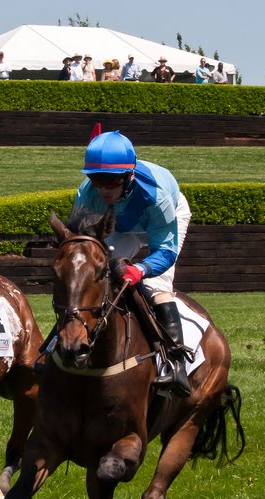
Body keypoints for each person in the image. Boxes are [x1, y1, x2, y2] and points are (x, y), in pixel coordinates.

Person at [74, 130, 192, 397]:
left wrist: (140, 269)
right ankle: (56, 346)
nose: (103, 189)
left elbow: (165, 251)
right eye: (96, 180)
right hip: (122, 224)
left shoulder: (157, 197)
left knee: (157, 285)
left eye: (112, 182)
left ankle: (176, 365)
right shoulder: (87, 194)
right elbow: (83, 244)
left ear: (129, 176)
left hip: (163, 220)